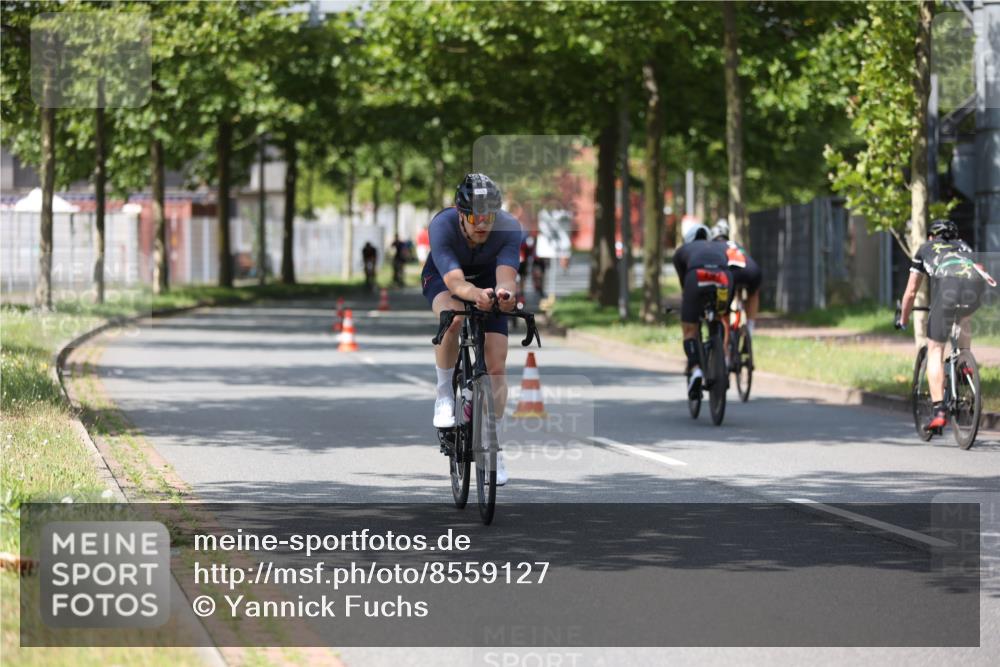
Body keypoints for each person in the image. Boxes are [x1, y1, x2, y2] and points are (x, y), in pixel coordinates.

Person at [422, 173, 521, 485]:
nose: (483, 224)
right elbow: (454, 282)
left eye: (489, 216)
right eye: (476, 217)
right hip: (446, 277)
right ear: (460, 214)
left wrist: (504, 296)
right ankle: (443, 395)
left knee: (496, 366)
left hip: (488, 283)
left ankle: (493, 446)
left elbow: (506, 277)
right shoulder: (442, 225)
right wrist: (474, 295)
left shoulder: (508, 227)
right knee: (453, 318)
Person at [898, 218, 992, 431]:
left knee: (935, 350)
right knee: (964, 314)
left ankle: (939, 410)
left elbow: (911, 292)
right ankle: (964, 362)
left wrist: (903, 320)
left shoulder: (925, 249)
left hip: (948, 288)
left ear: (932, 236)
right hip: (976, 287)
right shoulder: (964, 246)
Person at [672, 223, 733, 399]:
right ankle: (721, 360)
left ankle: (696, 369)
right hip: (723, 278)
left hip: (696, 277)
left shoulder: (682, 251)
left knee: (689, 330)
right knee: (720, 316)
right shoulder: (718, 247)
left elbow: (685, 287)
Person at [710, 220, 762, 334]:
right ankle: (750, 328)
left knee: (723, 308)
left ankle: (726, 341)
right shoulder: (735, 245)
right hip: (753, 271)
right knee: (753, 294)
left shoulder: (712, 246)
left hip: (731, 274)